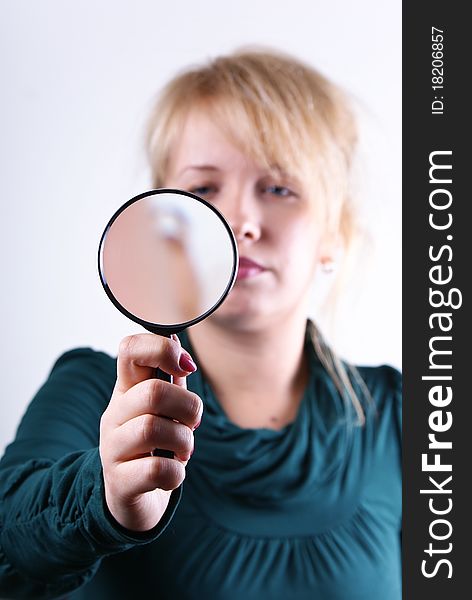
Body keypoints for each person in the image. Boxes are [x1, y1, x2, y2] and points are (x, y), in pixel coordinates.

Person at [0, 49, 402, 599]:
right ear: (162, 226)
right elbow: (9, 544)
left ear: (336, 232)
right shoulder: (92, 390)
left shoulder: (406, 416)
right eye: (203, 191)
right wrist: (107, 496)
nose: (240, 222)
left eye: (280, 188)